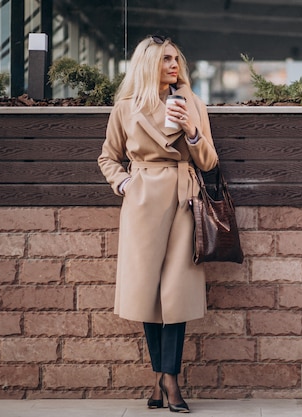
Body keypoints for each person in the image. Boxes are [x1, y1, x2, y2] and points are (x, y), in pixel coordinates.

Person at [98, 35, 218, 413]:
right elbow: (108, 158)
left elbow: (210, 161)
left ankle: (169, 378)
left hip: (183, 199)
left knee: (176, 293)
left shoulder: (193, 103)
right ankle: (162, 376)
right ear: (149, 64)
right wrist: (125, 182)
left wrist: (192, 131)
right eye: (166, 59)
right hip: (143, 200)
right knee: (147, 292)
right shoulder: (125, 108)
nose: (174, 65)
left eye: (177, 59)